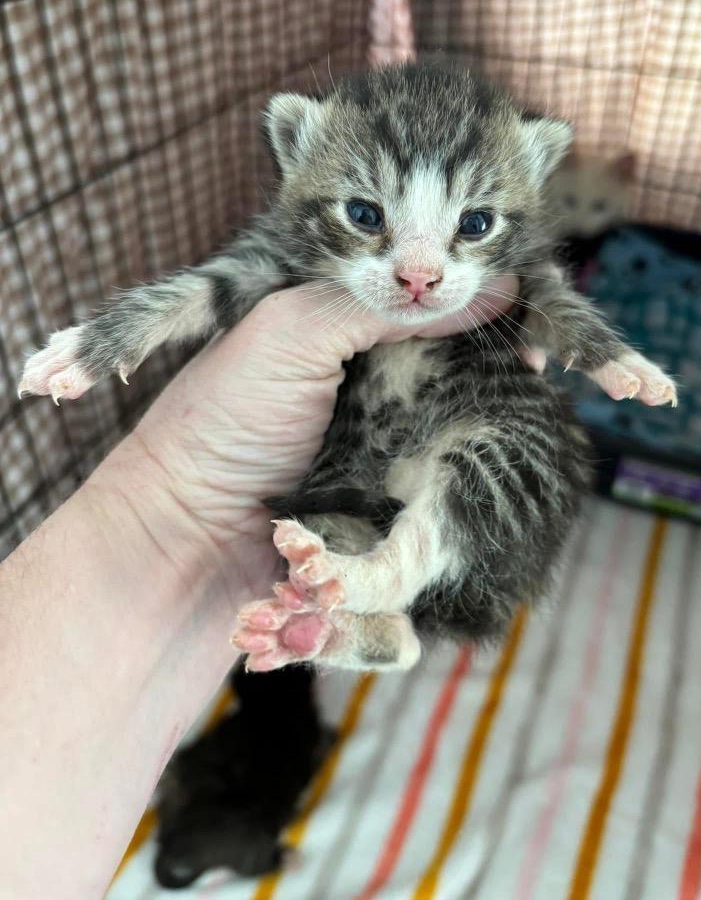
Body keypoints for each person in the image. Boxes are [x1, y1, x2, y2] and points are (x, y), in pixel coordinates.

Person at [0, 282, 516, 899]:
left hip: (340, 489)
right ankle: (378, 610)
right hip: (341, 491)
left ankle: (379, 605)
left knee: (417, 504)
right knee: (399, 512)